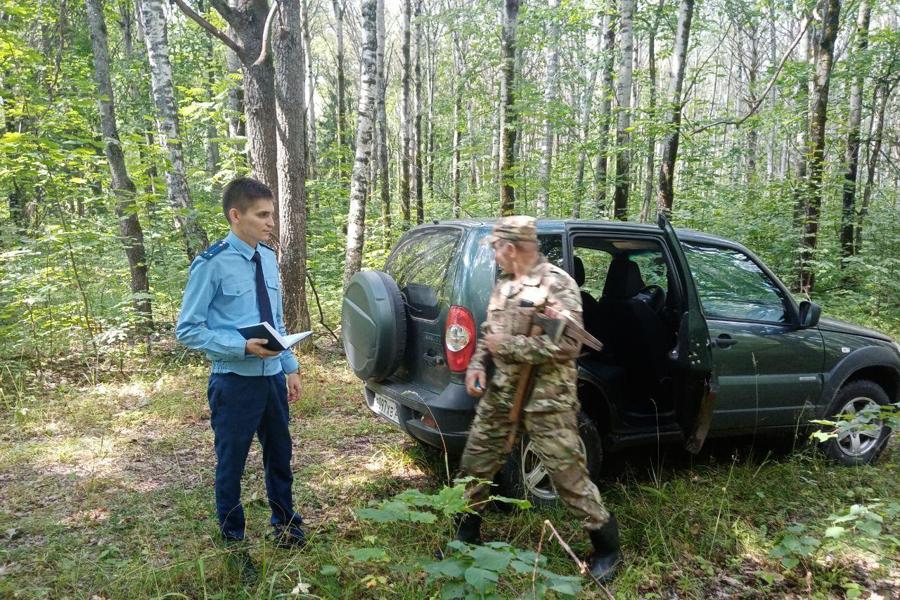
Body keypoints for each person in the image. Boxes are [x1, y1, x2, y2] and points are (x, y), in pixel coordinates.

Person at [455, 216, 622, 582]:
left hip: (547, 401)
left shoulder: (556, 284)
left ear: (511, 248)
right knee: (476, 462)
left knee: (568, 476)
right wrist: (479, 363)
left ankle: (608, 549)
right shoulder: (504, 287)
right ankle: (464, 538)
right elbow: (489, 333)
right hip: (502, 394)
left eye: (497, 248)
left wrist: (510, 346)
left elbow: (569, 344)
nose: (495, 256)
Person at [176, 178, 306, 577]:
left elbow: (277, 320)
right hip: (233, 382)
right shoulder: (211, 263)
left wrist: (290, 367)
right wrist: (242, 346)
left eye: (272, 215)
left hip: (271, 380)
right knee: (231, 465)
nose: (271, 223)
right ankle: (235, 544)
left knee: (279, 457)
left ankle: (287, 528)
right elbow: (188, 329)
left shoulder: (268, 257)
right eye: (262, 215)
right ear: (237, 216)